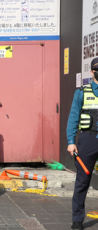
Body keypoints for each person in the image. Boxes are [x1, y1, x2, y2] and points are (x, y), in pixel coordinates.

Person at [67, 57, 98, 230]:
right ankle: (77, 220)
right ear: (92, 71)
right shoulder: (81, 92)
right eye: (97, 69)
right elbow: (73, 118)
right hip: (87, 140)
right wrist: (71, 142)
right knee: (82, 182)